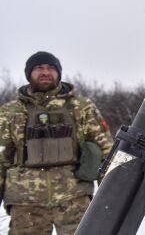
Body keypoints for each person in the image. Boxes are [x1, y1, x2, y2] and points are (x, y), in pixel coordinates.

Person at [0, 51, 113, 235]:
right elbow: (1, 158)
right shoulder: (9, 112)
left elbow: (107, 151)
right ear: (29, 74)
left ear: (59, 73)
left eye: (51, 68)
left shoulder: (81, 107)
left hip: (74, 199)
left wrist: (110, 197)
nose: (45, 72)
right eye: (39, 68)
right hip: (25, 204)